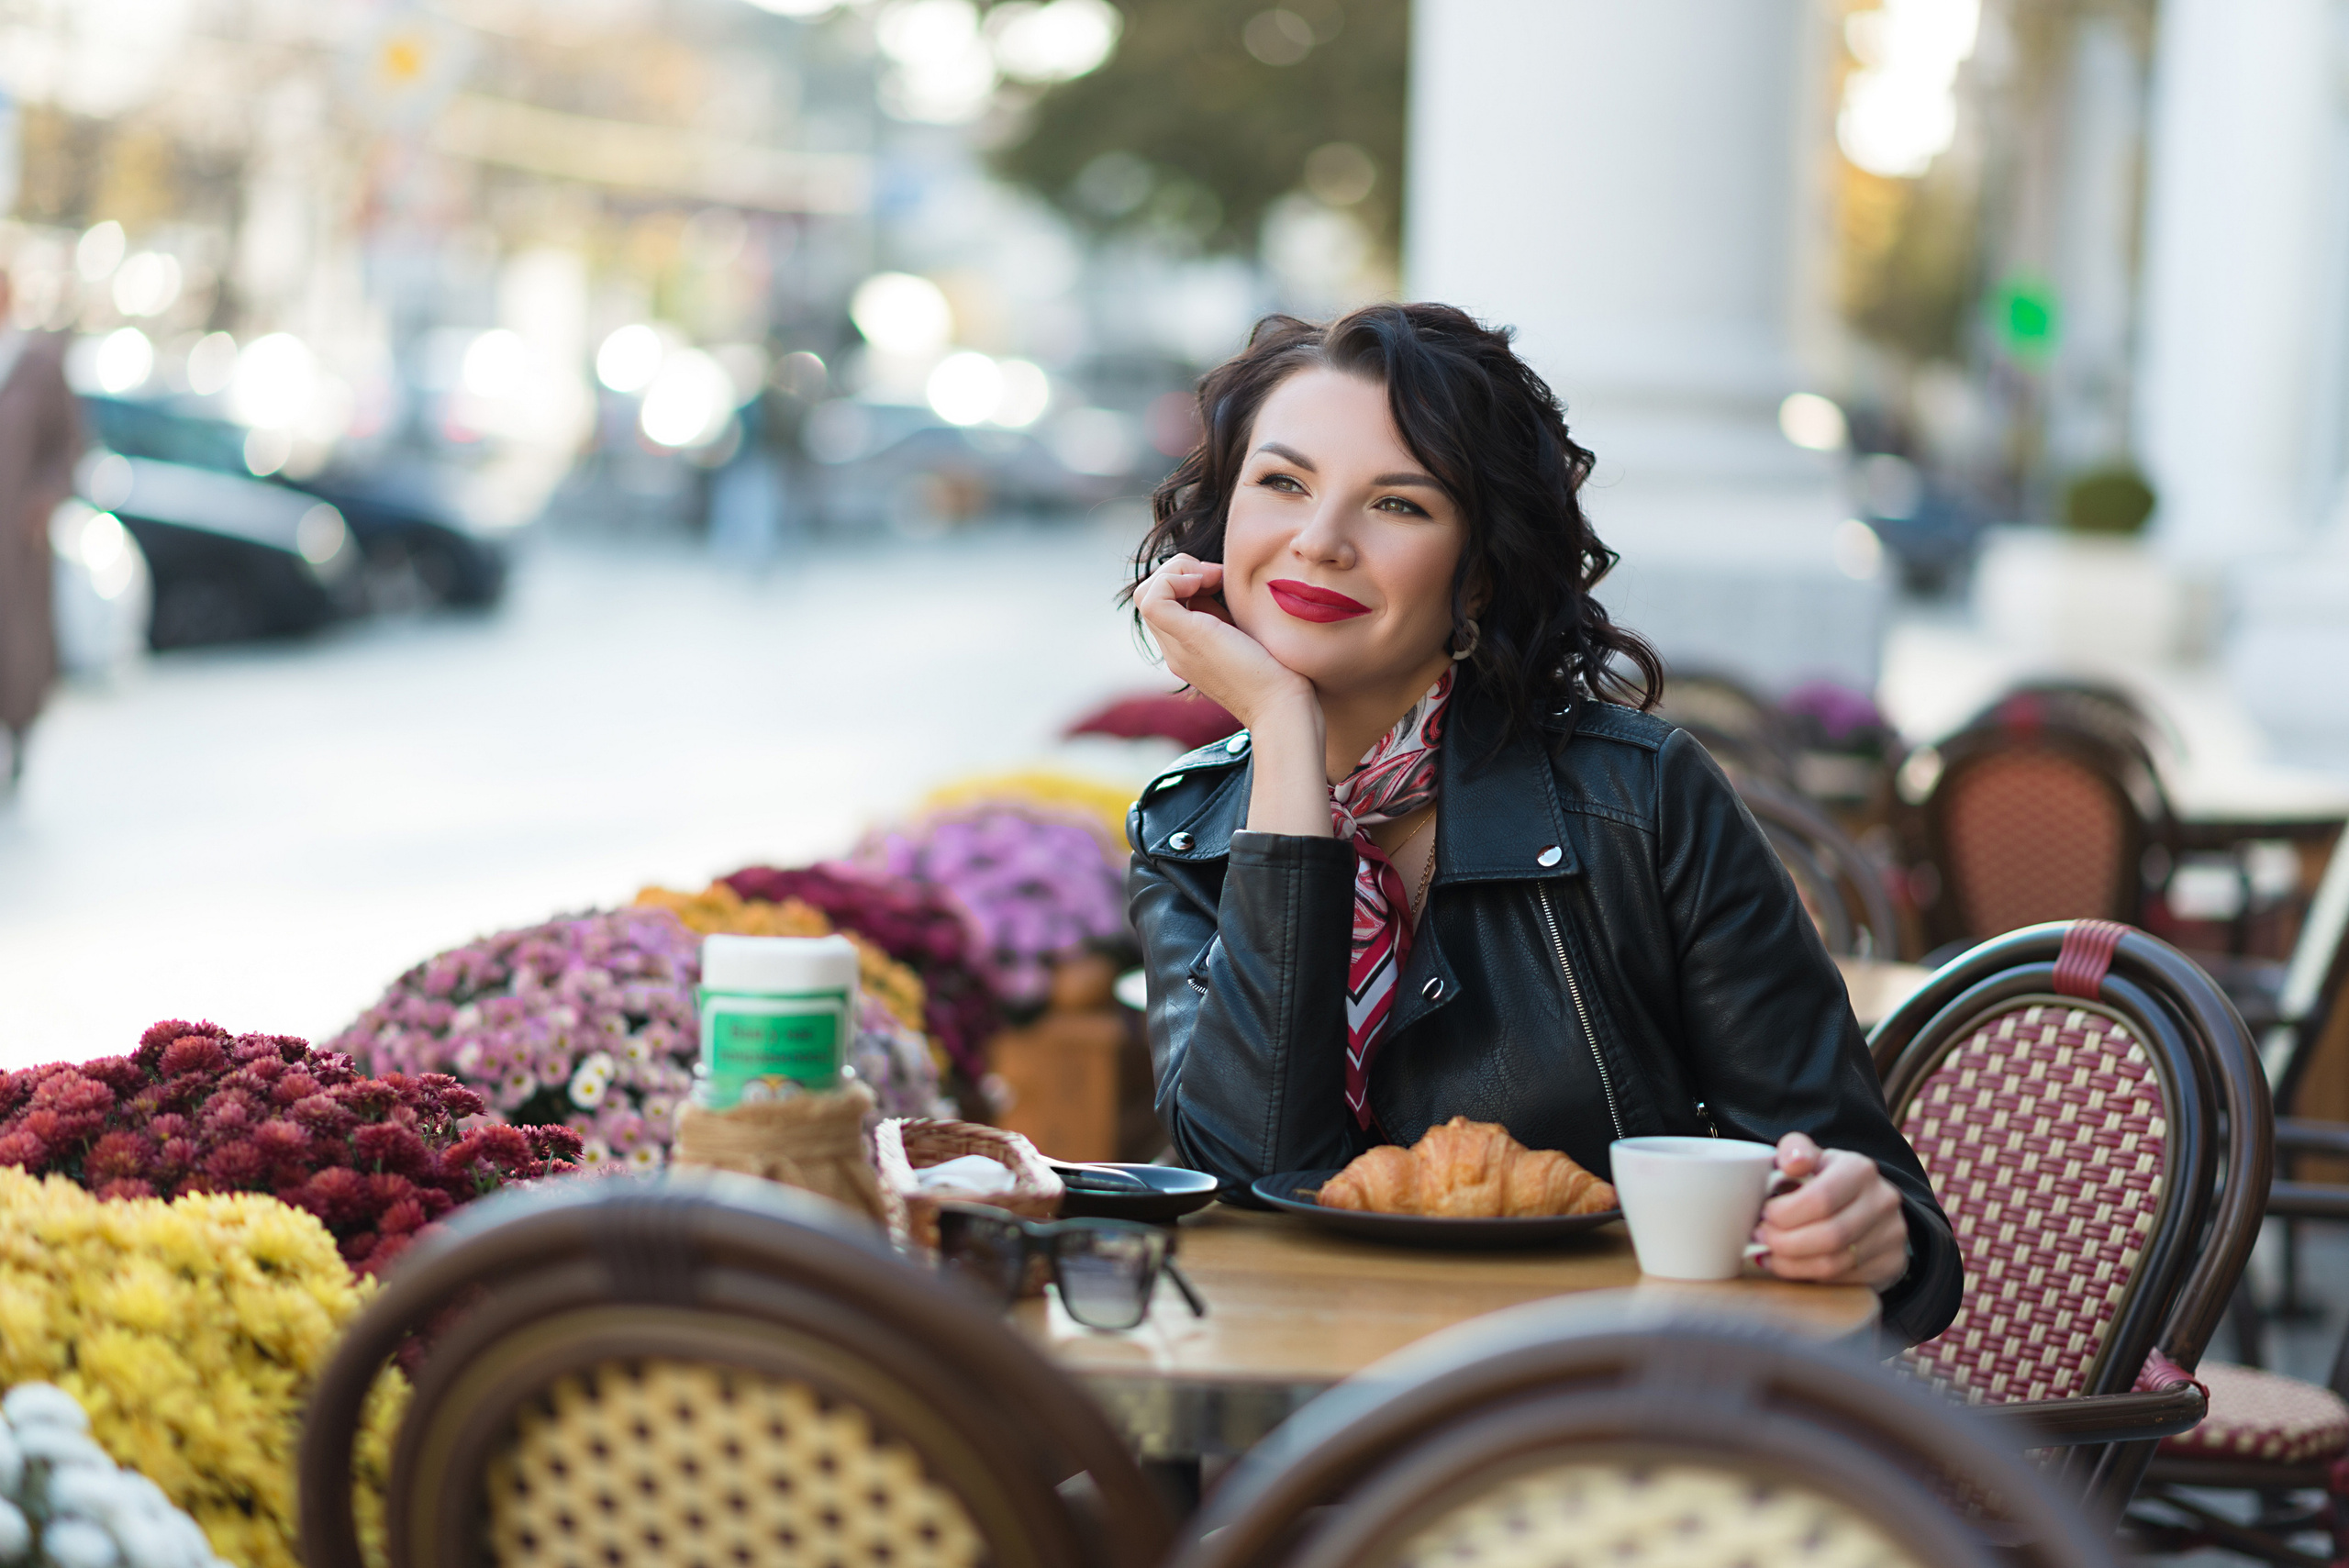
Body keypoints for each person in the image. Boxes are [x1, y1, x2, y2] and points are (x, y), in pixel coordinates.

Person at [1124, 304, 1960, 1345]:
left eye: (1398, 502)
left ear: (1478, 569)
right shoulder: (1187, 825)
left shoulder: (1641, 800)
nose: (1321, 540)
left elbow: (1894, 1227)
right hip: (1287, 1419)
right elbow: (1246, 1172)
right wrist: (1285, 740)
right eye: (1282, 483)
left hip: (1605, 1417)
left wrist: (1861, 1227)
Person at [0, 266, 83, 792]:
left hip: (16, 543)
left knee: (17, 647)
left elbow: (70, 445)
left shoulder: (37, 364)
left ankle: (20, 737)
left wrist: (44, 500)